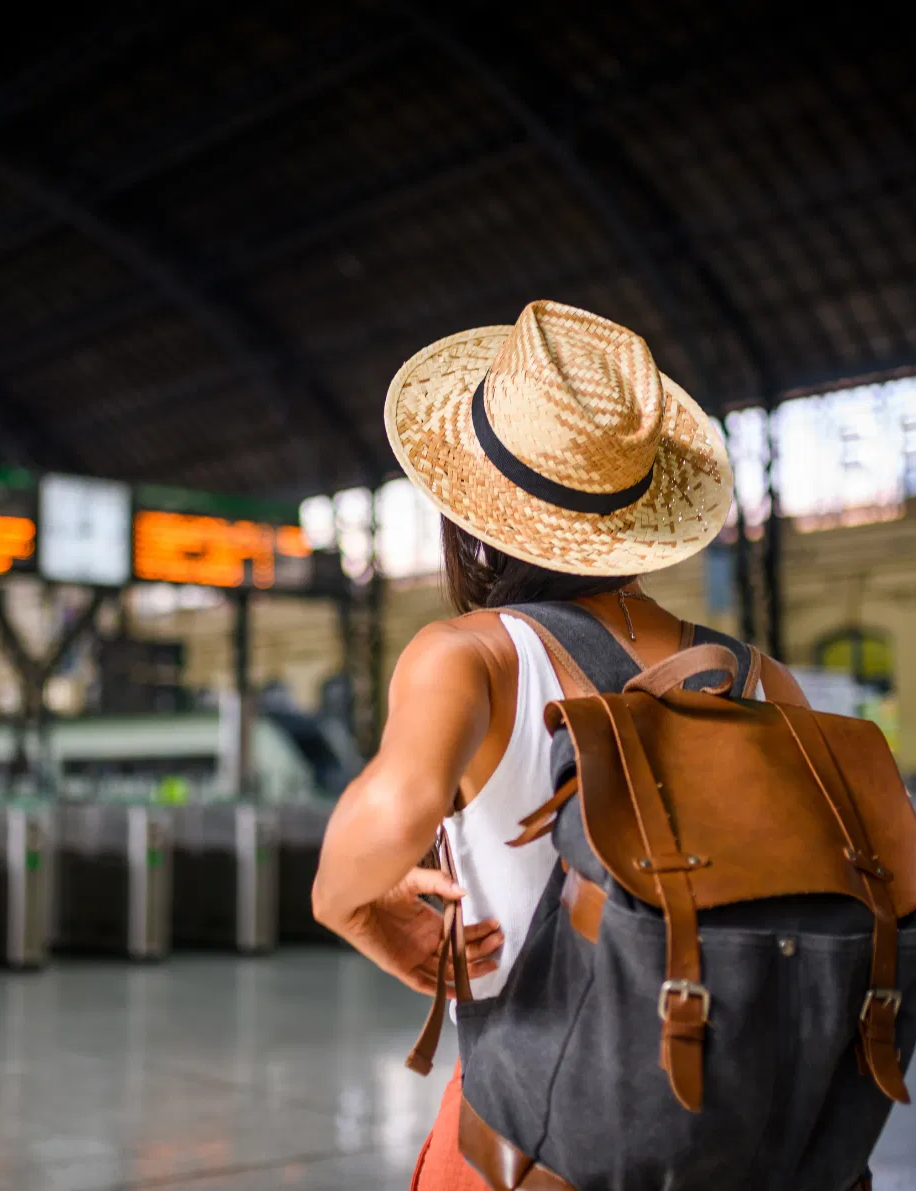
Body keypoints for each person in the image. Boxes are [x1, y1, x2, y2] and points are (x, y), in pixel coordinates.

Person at [312, 300, 808, 1190]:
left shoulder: (473, 655)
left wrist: (352, 906)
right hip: (739, 1137)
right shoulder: (763, 678)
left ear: (470, 507)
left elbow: (385, 822)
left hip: (533, 1137)